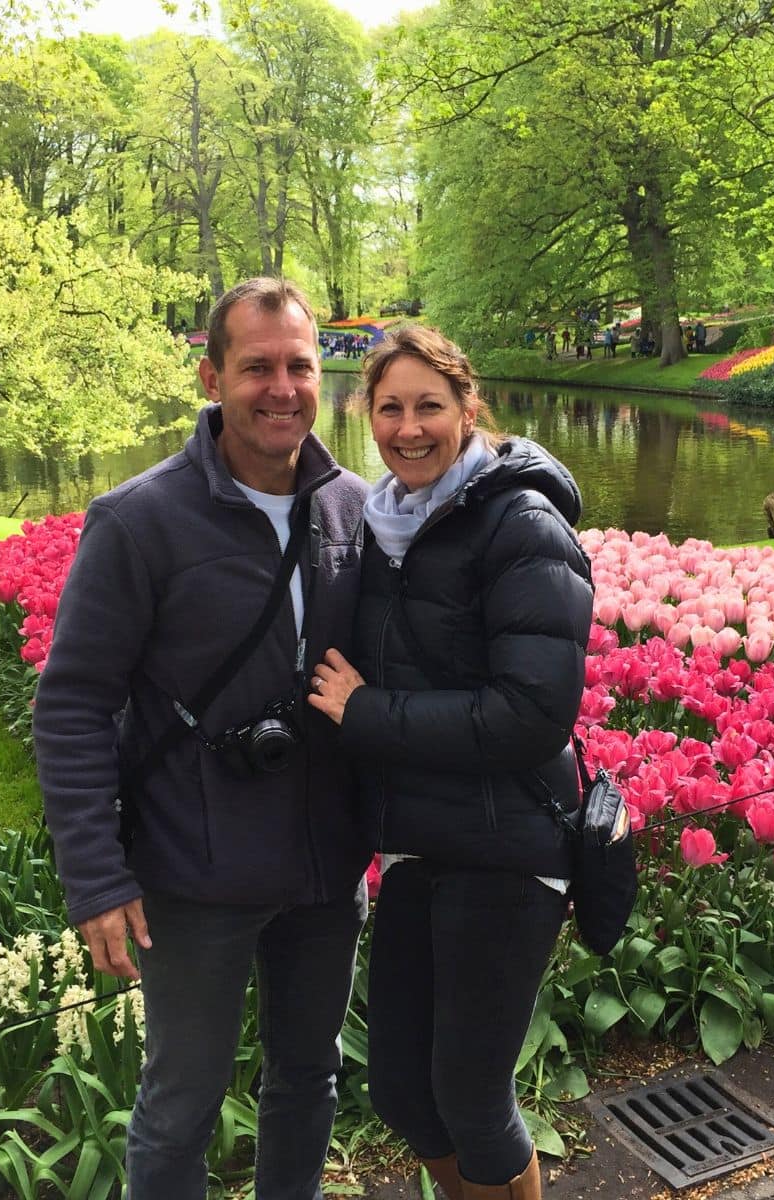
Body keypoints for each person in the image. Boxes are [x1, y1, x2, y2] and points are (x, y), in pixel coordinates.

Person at [32, 278, 371, 1200]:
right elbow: (72, 705)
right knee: (180, 1101)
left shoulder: (352, 509)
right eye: (255, 366)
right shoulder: (140, 520)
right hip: (193, 872)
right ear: (212, 376)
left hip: (323, 869)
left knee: (309, 1079)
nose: (281, 387)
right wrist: (96, 878)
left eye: (298, 366)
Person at [306, 325, 593, 1200]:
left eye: (430, 405)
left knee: (470, 1093)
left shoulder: (520, 522)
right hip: (421, 842)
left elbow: (533, 715)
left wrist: (368, 714)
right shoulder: (384, 522)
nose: (409, 426)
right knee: (400, 1089)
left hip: (508, 843)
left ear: (469, 410)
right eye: (388, 407)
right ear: (366, 415)